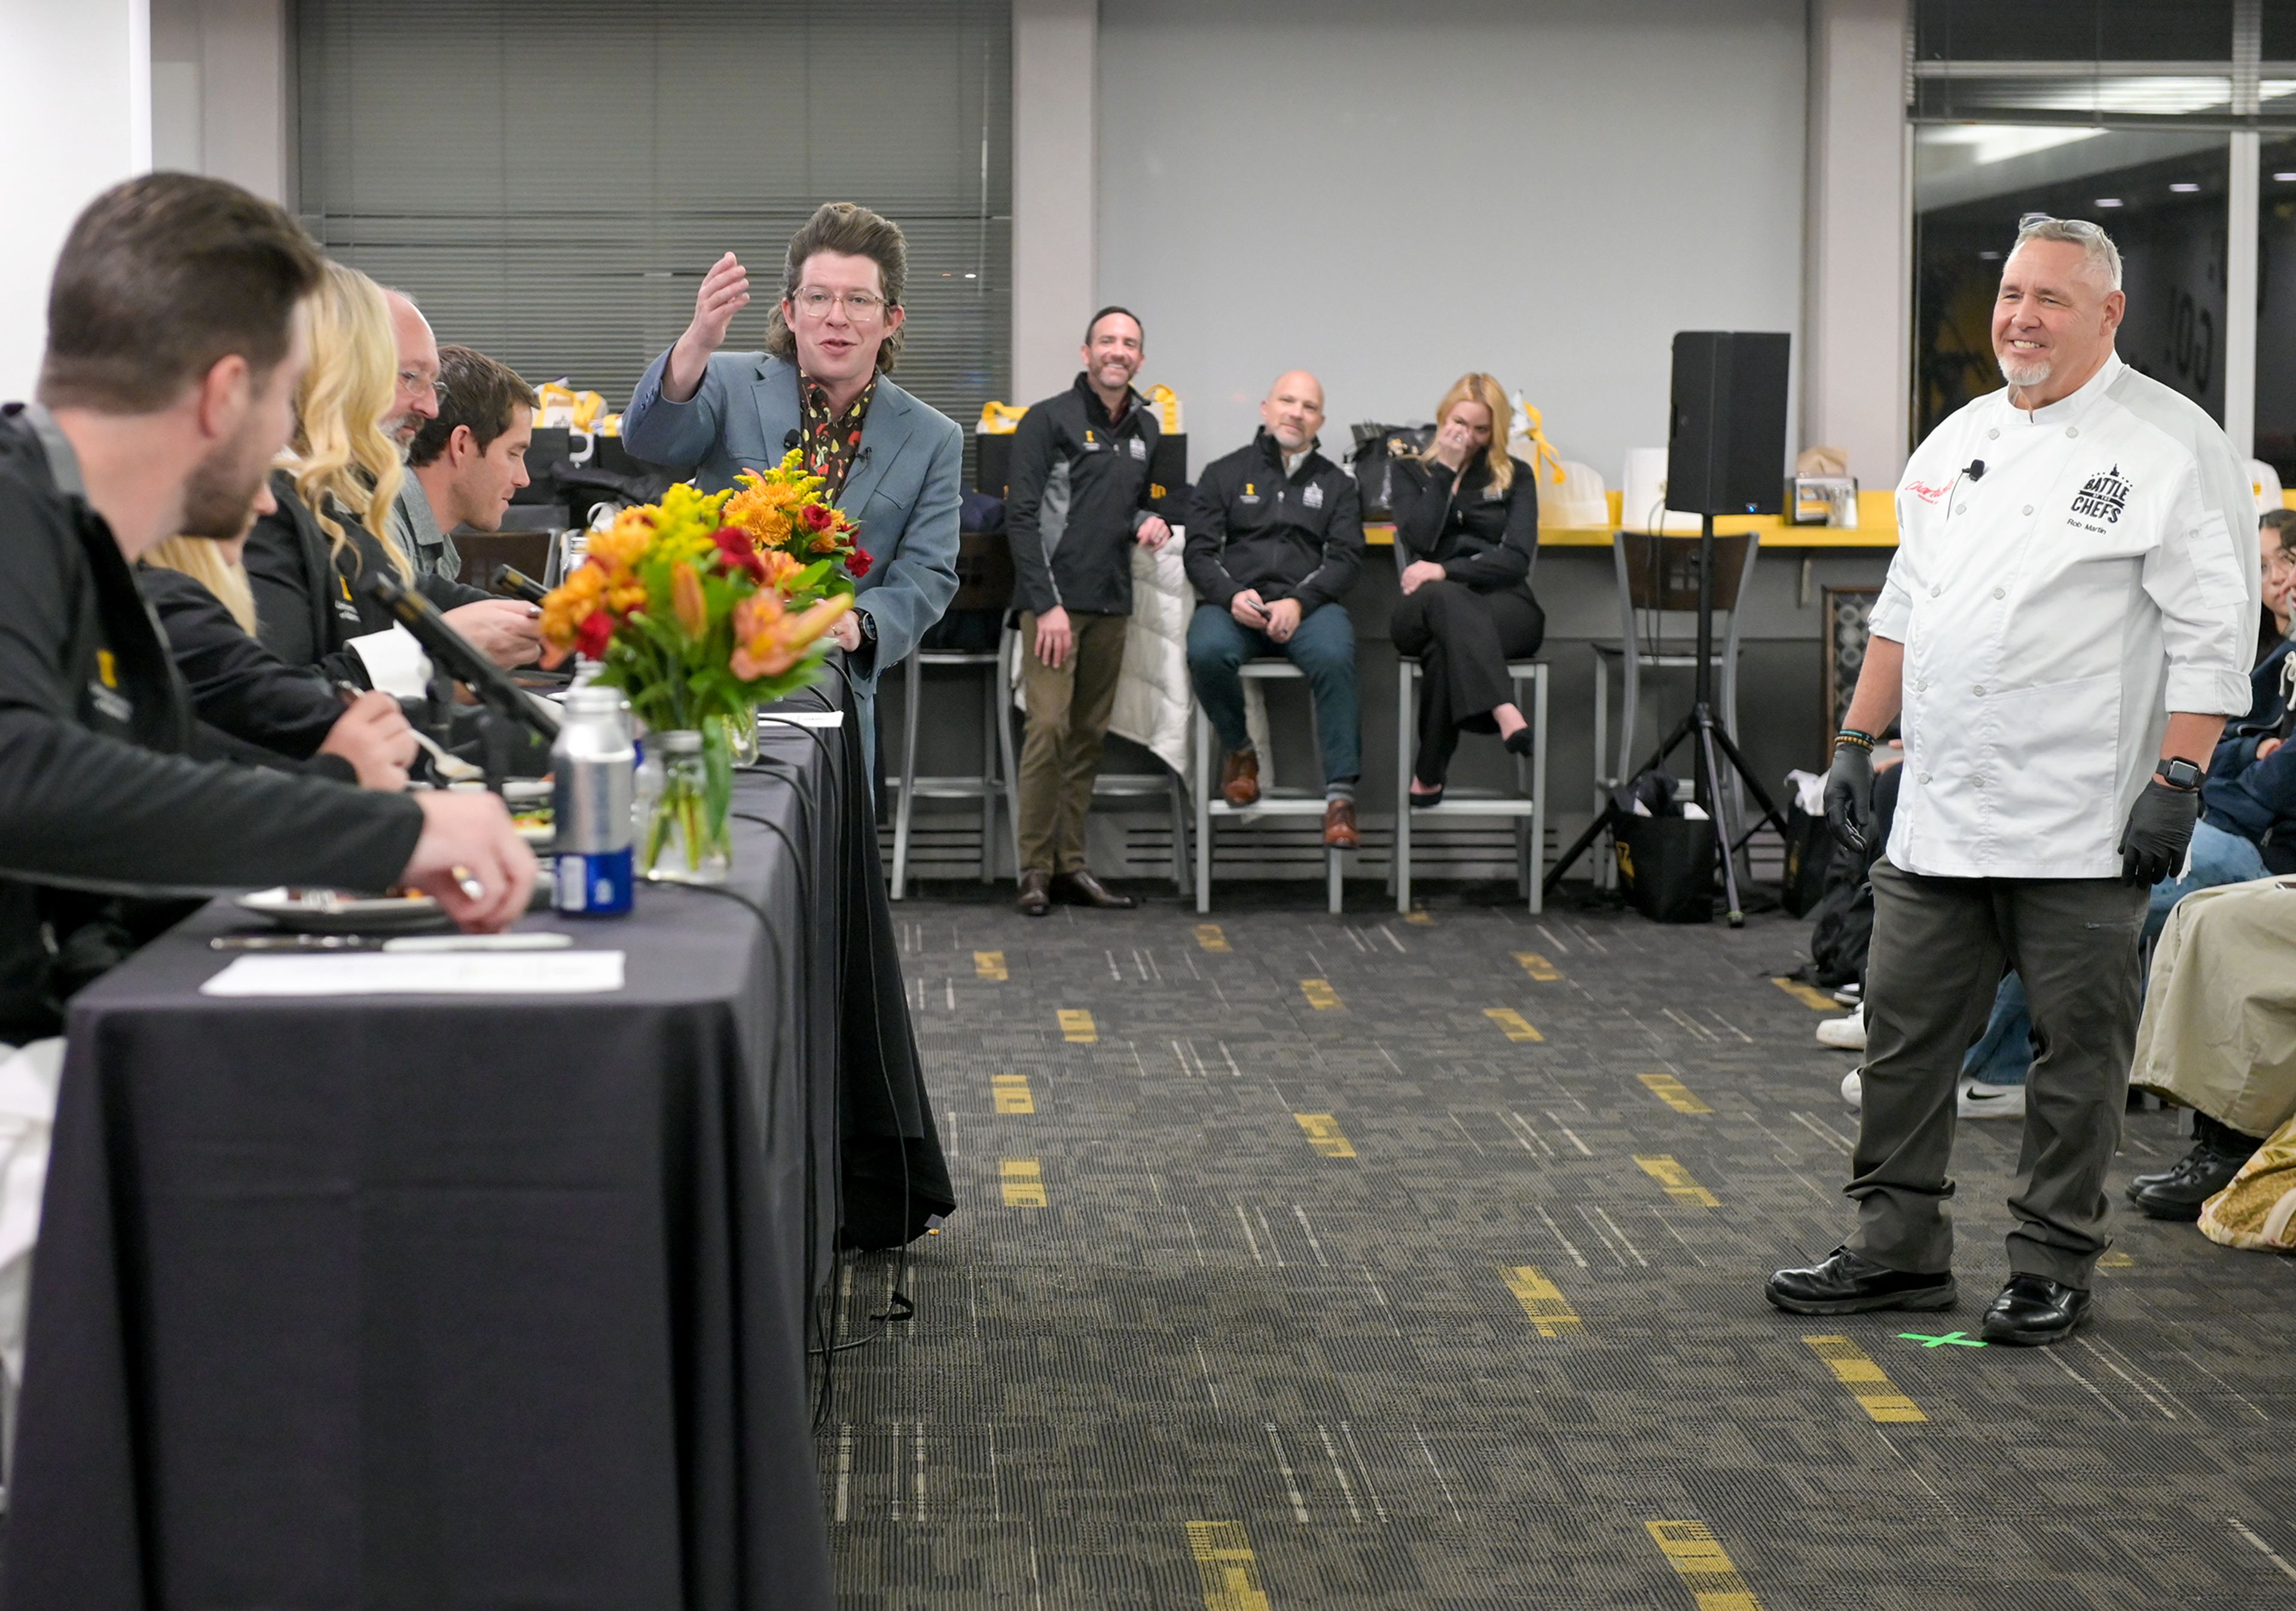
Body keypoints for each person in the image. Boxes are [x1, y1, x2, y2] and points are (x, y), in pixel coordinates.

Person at [1767, 216, 2256, 1347]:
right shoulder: (1954, 441)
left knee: (2076, 1056)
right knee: (1902, 1038)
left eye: (2051, 299)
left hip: (2086, 820)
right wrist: (1853, 740)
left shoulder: (2173, 445)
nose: (2022, 318)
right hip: (1941, 813)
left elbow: (2212, 636)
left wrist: (2179, 775)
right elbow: (1905, 607)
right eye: (2010, 295)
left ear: (2109, 314)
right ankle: (1894, 1251)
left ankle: (2052, 1260)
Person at [0, 172, 535, 1051]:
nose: (293, 441)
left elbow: (158, 808)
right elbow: (24, 777)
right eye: (286, 401)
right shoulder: (17, 516)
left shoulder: (88, 555)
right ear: (223, 395)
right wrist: (389, 831)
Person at [1887, 505, 2296, 1124]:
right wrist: (2240, 761)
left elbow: (2266, 776)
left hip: (2257, 844)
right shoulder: (2276, 650)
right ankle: (1946, 1055)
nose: (2274, 580)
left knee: (2076, 893)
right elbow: (2233, 738)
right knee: (2036, 872)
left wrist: (2235, 771)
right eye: (2264, 567)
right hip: (2222, 817)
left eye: (2281, 563)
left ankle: (1991, 1069)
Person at [619, 203, 963, 772]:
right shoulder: (725, 382)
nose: (837, 317)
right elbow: (649, 440)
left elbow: (928, 571)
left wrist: (859, 623)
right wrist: (698, 340)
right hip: (709, 679)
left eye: (859, 300)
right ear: (790, 310)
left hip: (833, 693)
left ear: (891, 319)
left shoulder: (933, 438)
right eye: (818, 297)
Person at [240, 264, 538, 695]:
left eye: (434, 384)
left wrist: (566, 622)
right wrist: (433, 649)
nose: (432, 408)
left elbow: (417, 594)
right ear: (338, 374)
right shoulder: (263, 512)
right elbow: (268, 706)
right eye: (411, 377)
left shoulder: (335, 504)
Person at [1003, 307, 1173, 916]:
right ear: (1086, 352)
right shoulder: (1048, 420)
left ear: (1140, 360)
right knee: (1047, 730)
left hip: (1112, 602)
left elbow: (1122, 507)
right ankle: (1033, 871)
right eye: (1107, 341)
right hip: (1054, 607)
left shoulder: (1145, 429)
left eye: (1129, 343)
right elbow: (1021, 518)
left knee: (1088, 738)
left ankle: (1071, 865)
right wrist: (1045, 606)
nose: (1117, 351)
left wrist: (1146, 521)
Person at [1184, 371, 1365, 847]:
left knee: (1335, 655)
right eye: (1287, 401)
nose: (1296, 413)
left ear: (1320, 420)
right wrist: (1230, 596)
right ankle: (1241, 752)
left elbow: (1347, 558)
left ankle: (1341, 798)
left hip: (1308, 608)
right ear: (1266, 408)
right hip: (1236, 604)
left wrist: (1299, 602)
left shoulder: (1338, 485)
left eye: (1308, 407)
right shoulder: (1223, 473)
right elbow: (1199, 553)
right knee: (1205, 649)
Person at [142, 505, 419, 790]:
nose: (267, 503)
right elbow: (285, 704)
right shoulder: (165, 602)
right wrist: (340, 772)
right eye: (256, 478)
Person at [1388, 373, 1542, 804]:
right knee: (1443, 601)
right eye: (1460, 424)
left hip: (1504, 605)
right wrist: (1446, 472)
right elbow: (1417, 539)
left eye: (1481, 429)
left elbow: (1516, 558)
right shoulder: (1409, 472)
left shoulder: (1516, 476)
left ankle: (1430, 771)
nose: (1470, 438)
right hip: (1423, 607)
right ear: (1443, 418)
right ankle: (1502, 706)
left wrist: (1445, 571)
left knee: (1447, 642)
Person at [405, 344, 539, 546]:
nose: (523, 480)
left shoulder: (433, 549)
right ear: (461, 446)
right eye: (512, 453)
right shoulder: (382, 542)